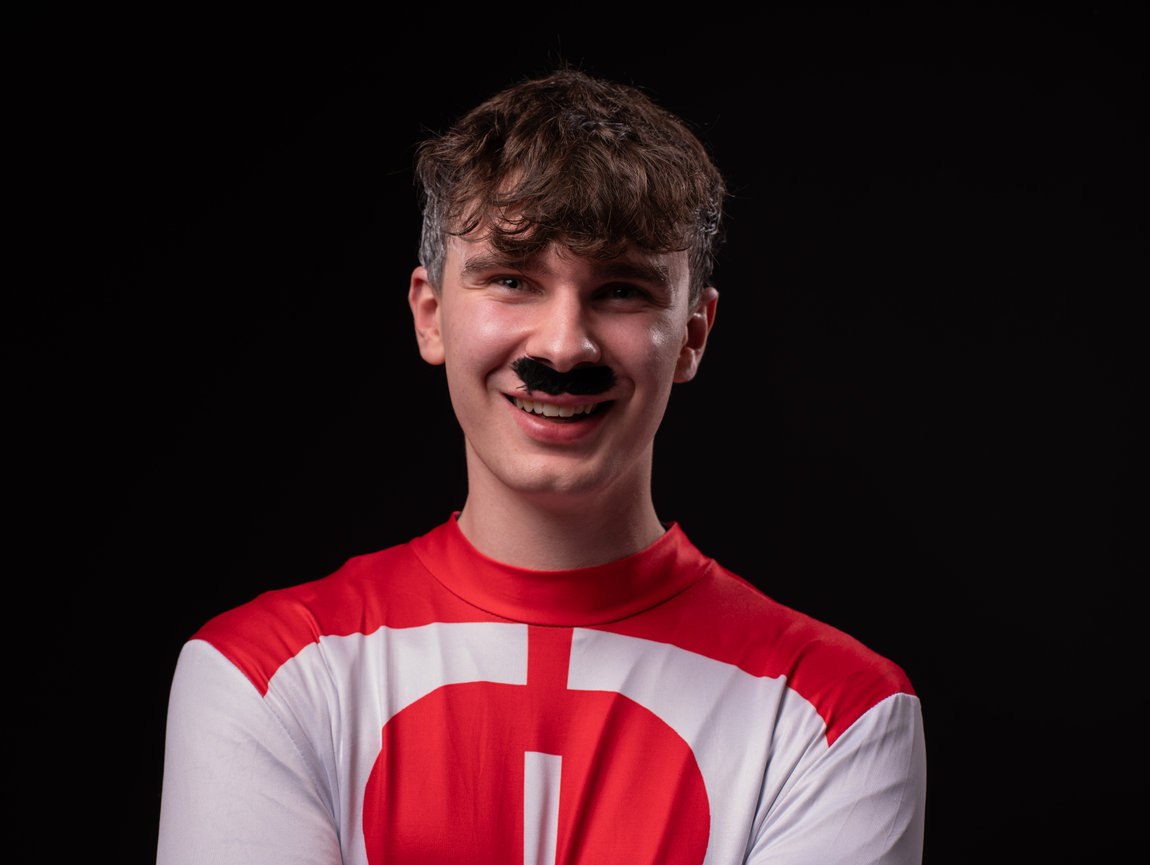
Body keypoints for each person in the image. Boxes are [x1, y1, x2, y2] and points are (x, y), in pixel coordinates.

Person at [157, 69, 926, 864]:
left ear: (694, 334)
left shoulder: (837, 714)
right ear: (432, 316)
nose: (563, 346)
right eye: (512, 279)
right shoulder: (261, 676)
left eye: (621, 290)